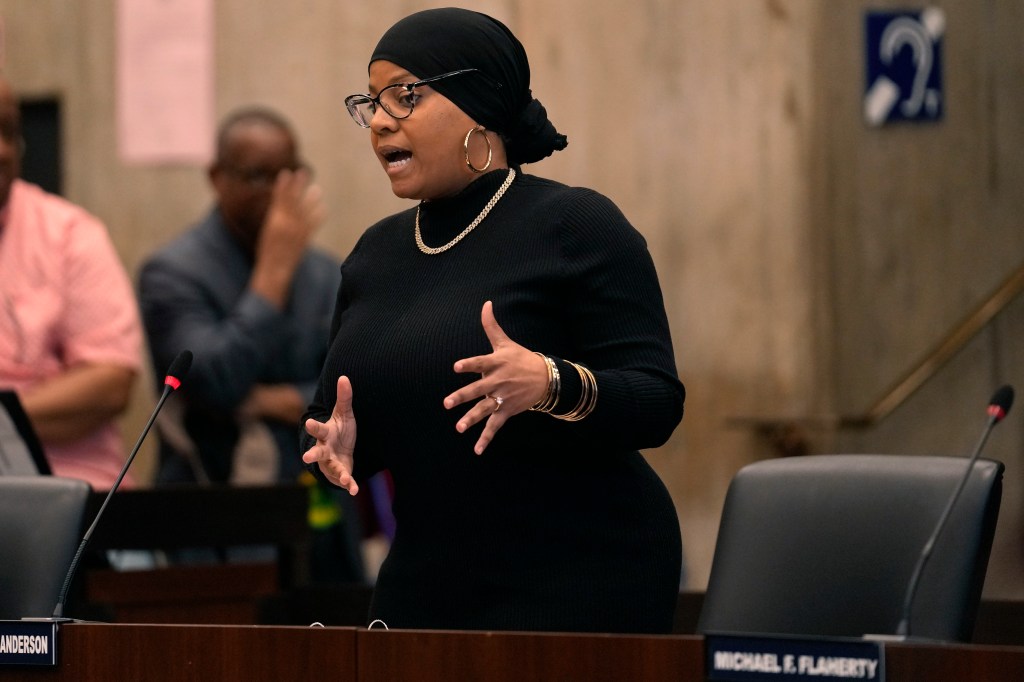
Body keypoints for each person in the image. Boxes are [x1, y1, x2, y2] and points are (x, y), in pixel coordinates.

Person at [302, 8, 685, 634]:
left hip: (582, 571)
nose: (377, 121)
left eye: (404, 97)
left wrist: (550, 382)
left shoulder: (576, 226)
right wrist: (338, 446)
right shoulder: (375, 254)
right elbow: (335, 419)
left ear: (477, 102)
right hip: (428, 576)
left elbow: (657, 401)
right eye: (370, 102)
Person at [138, 108, 365, 580]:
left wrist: (279, 400)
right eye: (260, 176)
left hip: (317, 523)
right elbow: (214, 382)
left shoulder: (326, 273)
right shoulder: (171, 273)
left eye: (290, 174)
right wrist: (272, 275)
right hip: (212, 525)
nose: (280, 191)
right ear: (217, 178)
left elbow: (351, 386)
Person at [0, 74, 143, 490]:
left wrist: (6, 422)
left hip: (67, 493)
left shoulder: (69, 233)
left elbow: (110, 384)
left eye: (9, 132)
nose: (3, 151)